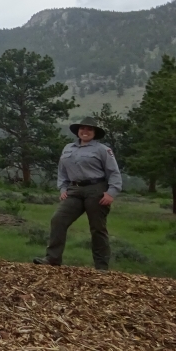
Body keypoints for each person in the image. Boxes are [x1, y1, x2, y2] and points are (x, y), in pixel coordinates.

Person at [34, 116, 123, 271]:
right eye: (82, 128)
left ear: (95, 132)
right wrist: (62, 189)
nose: (85, 131)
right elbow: (62, 171)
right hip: (74, 190)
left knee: (97, 228)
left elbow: (114, 172)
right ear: (78, 131)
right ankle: (52, 258)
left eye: (89, 129)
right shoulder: (68, 148)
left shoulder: (102, 150)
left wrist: (111, 193)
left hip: (96, 189)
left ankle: (101, 267)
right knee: (58, 219)